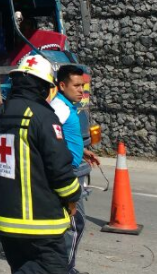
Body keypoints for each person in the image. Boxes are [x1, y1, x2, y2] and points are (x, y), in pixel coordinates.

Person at [0, 54, 82, 274]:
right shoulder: (43, 116)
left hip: (5, 220)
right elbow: (59, 168)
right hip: (42, 223)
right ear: (44, 87)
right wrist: (72, 198)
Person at [49, 65, 99, 274]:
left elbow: (64, 137)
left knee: (71, 224)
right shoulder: (58, 107)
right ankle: (66, 269)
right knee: (75, 223)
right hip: (66, 173)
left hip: (71, 168)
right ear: (62, 85)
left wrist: (83, 151)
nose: (81, 90)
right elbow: (50, 138)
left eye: (83, 86)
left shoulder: (66, 105)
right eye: (77, 86)